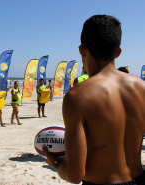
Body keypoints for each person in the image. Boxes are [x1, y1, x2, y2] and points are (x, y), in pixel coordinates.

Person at [42, 15, 145, 185]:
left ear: (82, 50)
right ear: (118, 52)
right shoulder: (142, 88)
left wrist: (53, 162)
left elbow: (74, 175)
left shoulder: (78, 97)